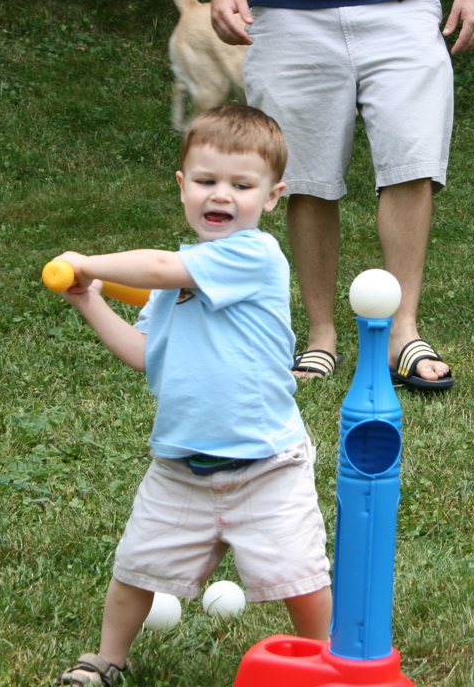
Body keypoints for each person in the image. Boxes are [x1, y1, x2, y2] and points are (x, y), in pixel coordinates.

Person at [50, 105, 331, 686]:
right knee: (135, 567)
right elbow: (144, 353)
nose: (220, 194)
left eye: (241, 185)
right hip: (180, 463)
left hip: (265, 463)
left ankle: (327, 659)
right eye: (205, 180)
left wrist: (85, 262)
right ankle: (107, 659)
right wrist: (89, 298)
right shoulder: (177, 277)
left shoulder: (253, 255)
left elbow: (157, 266)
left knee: (299, 575)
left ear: (272, 196)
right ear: (183, 186)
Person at [198, 0, 474, 391]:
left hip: (402, 3)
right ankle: (321, 337)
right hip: (288, 8)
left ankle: (402, 334)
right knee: (306, 180)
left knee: (411, 167)